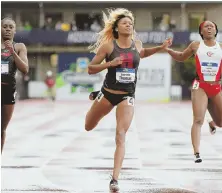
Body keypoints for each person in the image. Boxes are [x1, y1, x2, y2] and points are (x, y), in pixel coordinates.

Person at [85, 8, 168, 192]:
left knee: (121, 135)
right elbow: (91, 69)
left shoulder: (136, 43)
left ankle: (115, 179)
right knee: (88, 125)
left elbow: (143, 52)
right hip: (108, 93)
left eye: (131, 23)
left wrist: (161, 48)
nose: (129, 25)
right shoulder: (108, 46)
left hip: (127, 95)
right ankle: (97, 94)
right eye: (125, 23)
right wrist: (110, 64)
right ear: (116, 28)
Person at [164, 20, 222, 163]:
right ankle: (197, 152)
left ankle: (212, 121)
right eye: (205, 27)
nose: (209, 28)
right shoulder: (196, 45)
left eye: (211, 27)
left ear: (216, 31)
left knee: (220, 123)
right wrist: (169, 50)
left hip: (215, 86)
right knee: (197, 119)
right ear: (201, 32)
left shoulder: (220, 48)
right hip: (200, 86)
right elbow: (181, 57)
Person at [1, 18, 29, 153]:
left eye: (10, 27)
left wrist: (12, 52)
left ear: (14, 30)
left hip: (8, 89)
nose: (7, 29)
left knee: (2, 129)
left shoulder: (19, 47)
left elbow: (25, 69)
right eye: (4, 26)